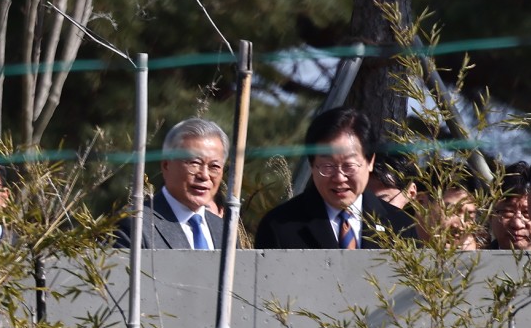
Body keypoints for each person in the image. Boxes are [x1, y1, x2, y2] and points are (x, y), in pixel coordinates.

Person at [254, 107, 414, 249]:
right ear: (311, 165)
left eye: (349, 166)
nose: (339, 177)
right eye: (327, 166)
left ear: (370, 162)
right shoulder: (279, 226)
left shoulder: (401, 226)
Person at [116, 117, 228, 250]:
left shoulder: (225, 231)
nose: (204, 175)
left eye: (214, 166)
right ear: (166, 165)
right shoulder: (134, 224)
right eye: (194, 163)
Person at [414, 165, 481, 251]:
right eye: (451, 211)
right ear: (420, 202)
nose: (461, 226)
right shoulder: (395, 244)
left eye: (470, 215)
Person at [488, 161, 531, 250]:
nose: (517, 224)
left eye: (527, 212)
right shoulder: (473, 261)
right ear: (489, 215)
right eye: (508, 212)